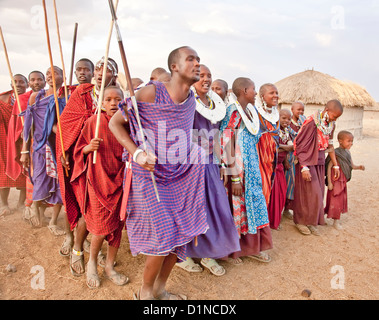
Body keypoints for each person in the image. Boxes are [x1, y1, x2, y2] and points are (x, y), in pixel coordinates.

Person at [109, 46, 208, 300]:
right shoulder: (151, 92)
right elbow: (115, 123)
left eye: (198, 59)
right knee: (163, 237)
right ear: (174, 66)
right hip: (150, 173)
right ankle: (144, 294)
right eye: (191, 59)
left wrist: (194, 151)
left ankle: (160, 289)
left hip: (183, 176)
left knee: (181, 235)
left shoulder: (191, 100)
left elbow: (182, 134)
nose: (197, 63)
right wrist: (138, 153)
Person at [176, 65, 240, 276]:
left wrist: (222, 163)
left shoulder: (215, 105)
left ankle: (207, 253)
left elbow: (218, 136)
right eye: (201, 75)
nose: (205, 79)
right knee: (189, 208)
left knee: (214, 205)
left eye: (208, 76)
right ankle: (182, 255)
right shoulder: (185, 100)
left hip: (210, 162)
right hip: (188, 163)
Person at [56, 57, 117, 275]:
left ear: (114, 77)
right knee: (82, 208)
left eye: (107, 70)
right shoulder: (82, 93)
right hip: (80, 161)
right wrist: (66, 151)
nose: (100, 73)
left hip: (107, 167)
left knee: (99, 214)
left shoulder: (118, 99)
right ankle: (75, 247)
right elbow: (66, 124)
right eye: (98, 69)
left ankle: (95, 250)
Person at [71, 86, 128, 289]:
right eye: (108, 99)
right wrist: (88, 148)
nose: (113, 103)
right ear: (102, 103)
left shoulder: (127, 123)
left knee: (118, 225)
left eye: (117, 99)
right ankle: (92, 263)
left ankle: (110, 267)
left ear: (124, 101)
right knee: (100, 228)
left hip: (121, 180)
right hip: (98, 180)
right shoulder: (93, 122)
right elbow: (78, 150)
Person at [220, 77, 272, 264]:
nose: (255, 93)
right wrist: (234, 177)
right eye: (253, 89)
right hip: (238, 170)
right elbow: (227, 142)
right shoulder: (232, 112)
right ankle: (233, 251)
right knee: (237, 206)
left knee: (253, 203)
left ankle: (251, 247)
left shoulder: (251, 111)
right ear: (243, 91)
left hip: (252, 168)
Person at [20, 66, 64, 235]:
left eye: (55, 73)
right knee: (39, 179)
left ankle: (53, 221)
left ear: (62, 77)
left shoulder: (65, 97)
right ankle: (36, 211)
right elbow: (28, 125)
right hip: (39, 146)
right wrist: (25, 150)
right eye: (48, 74)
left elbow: (62, 124)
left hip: (58, 147)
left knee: (60, 182)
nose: (50, 77)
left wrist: (59, 131)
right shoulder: (36, 97)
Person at [293, 100, 343, 236]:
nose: (335, 119)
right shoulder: (311, 122)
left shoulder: (330, 125)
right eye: (334, 116)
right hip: (307, 161)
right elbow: (300, 145)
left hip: (319, 160)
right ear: (327, 110)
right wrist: (304, 167)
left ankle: (311, 221)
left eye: (337, 117)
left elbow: (330, 145)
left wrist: (336, 165)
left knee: (319, 193)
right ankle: (300, 221)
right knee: (310, 193)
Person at [6, 71, 46, 216]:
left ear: (45, 81)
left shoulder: (49, 96)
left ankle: (40, 208)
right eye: (33, 80)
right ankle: (31, 207)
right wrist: (24, 149)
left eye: (39, 79)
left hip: (46, 142)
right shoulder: (22, 99)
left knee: (45, 176)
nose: (36, 82)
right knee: (32, 175)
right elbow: (19, 126)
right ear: (29, 83)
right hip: (30, 143)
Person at [0, 74, 28, 216]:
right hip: (4, 140)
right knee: (3, 172)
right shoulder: (2, 100)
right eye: (15, 82)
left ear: (27, 84)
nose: (18, 84)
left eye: (21, 82)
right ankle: (4, 204)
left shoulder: (30, 99)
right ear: (11, 85)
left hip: (22, 141)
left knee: (24, 171)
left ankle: (21, 203)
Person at [325, 130, 365, 230]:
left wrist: (358, 167)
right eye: (349, 141)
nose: (351, 143)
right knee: (334, 200)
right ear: (340, 141)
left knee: (340, 200)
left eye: (352, 141)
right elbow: (329, 167)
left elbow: (351, 165)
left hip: (342, 182)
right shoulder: (336, 153)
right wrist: (329, 182)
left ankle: (334, 220)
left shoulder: (347, 152)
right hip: (335, 182)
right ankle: (334, 221)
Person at [255, 84, 280, 207]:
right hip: (257, 157)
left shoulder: (276, 115)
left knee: (267, 187)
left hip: (270, 160)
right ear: (262, 96)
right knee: (260, 188)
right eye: (272, 93)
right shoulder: (255, 112)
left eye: (276, 93)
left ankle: (264, 221)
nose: (275, 96)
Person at [268, 108, 292, 230]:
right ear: (278, 117)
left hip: (281, 166)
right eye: (284, 118)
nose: (287, 121)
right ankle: (272, 221)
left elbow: (287, 147)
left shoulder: (286, 131)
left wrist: (286, 158)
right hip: (273, 167)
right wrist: (287, 148)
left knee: (281, 194)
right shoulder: (274, 130)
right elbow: (272, 148)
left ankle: (276, 218)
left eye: (289, 119)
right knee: (274, 195)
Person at [283, 101, 306, 219]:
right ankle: (285, 208)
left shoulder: (303, 123)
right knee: (287, 182)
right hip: (289, 156)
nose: (301, 112)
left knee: (294, 184)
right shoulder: (288, 124)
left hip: (299, 158)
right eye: (298, 110)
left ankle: (289, 208)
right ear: (292, 110)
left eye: (302, 110)